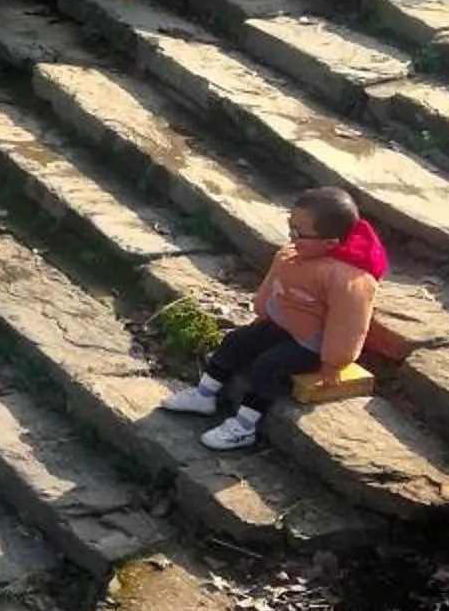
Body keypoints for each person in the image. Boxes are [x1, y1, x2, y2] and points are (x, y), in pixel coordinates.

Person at [164, 185, 388, 454]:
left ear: (330, 243)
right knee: (237, 339)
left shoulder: (350, 280)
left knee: (267, 365)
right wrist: (264, 312)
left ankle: (244, 425)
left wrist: (333, 363)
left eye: (300, 233)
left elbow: (347, 325)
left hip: (311, 345)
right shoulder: (293, 255)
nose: (292, 238)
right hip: (283, 325)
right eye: (290, 227)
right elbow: (273, 288)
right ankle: (204, 394)